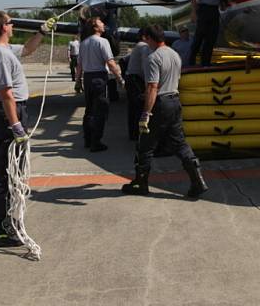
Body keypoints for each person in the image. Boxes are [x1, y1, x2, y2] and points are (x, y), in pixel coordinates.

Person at [0, 10, 50, 248]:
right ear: (3, 27)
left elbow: (28, 50)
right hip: (8, 114)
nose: (13, 26)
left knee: (13, 171)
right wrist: (16, 126)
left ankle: (6, 224)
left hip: (12, 112)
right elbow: (6, 94)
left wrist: (41, 32)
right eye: (11, 23)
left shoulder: (4, 50)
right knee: (5, 172)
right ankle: (0, 229)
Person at [122, 25, 208, 199]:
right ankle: (198, 181)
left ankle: (141, 183)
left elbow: (153, 86)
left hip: (160, 103)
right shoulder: (174, 54)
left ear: (148, 37)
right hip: (175, 101)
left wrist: (146, 114)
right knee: (180, 143)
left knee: (145, 145)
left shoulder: (152, 57)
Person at [75, 17, 125, 152]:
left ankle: (87, 139)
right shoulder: (103, 42)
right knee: (101, 111)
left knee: (89, 110)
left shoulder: (84, 43)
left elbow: (79, 65)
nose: (103, 24)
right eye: (101, 23)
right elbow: (110, 62)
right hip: (99, 78)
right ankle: (96, 142)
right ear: (95, 27)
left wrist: (78, 81)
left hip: (88, 78)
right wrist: (120, 78)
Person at [189, 0, 225, 66]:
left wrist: (222, 4)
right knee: (199, 36)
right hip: (203, 9)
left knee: (211, 38)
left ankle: (206, 62)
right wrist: (194, 12)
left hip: (214, 10)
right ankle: (192, 61)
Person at [124, 27, 151, 140]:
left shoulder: (138, 46)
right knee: (139, 107)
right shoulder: (144, 47)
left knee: (132, 108)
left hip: (131, 78)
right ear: (144, 37)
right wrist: (147, 86)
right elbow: (146, 66)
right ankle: (138, 134)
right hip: (135, 80)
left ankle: (133, 133)